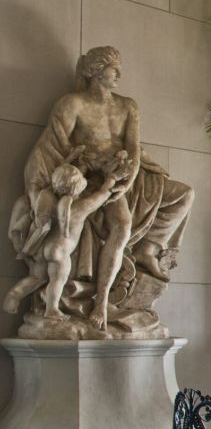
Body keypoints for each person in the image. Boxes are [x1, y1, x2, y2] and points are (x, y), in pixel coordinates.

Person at [15, 46, 193, 331]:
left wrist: (127, 179)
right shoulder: (71, 104)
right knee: (121, 225)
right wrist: (50, 184)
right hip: (89, 179)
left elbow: (134, 148)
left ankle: (149, 248)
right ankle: (100, 302)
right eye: (113, 68)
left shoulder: (128, 105)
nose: (119, 74)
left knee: (184, 193)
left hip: (123, 177)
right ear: (94, 71)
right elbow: (52, 147)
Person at [4, 153, 131, 319]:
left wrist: (72, 162)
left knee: (37, 277)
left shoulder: (49, 200)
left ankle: (13, 296)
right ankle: (52, 310)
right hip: (60, 251)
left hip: (42, 248)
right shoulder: (79, 208)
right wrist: (113, 177)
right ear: (78, 189)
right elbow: (102, 194)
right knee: (57, 280)